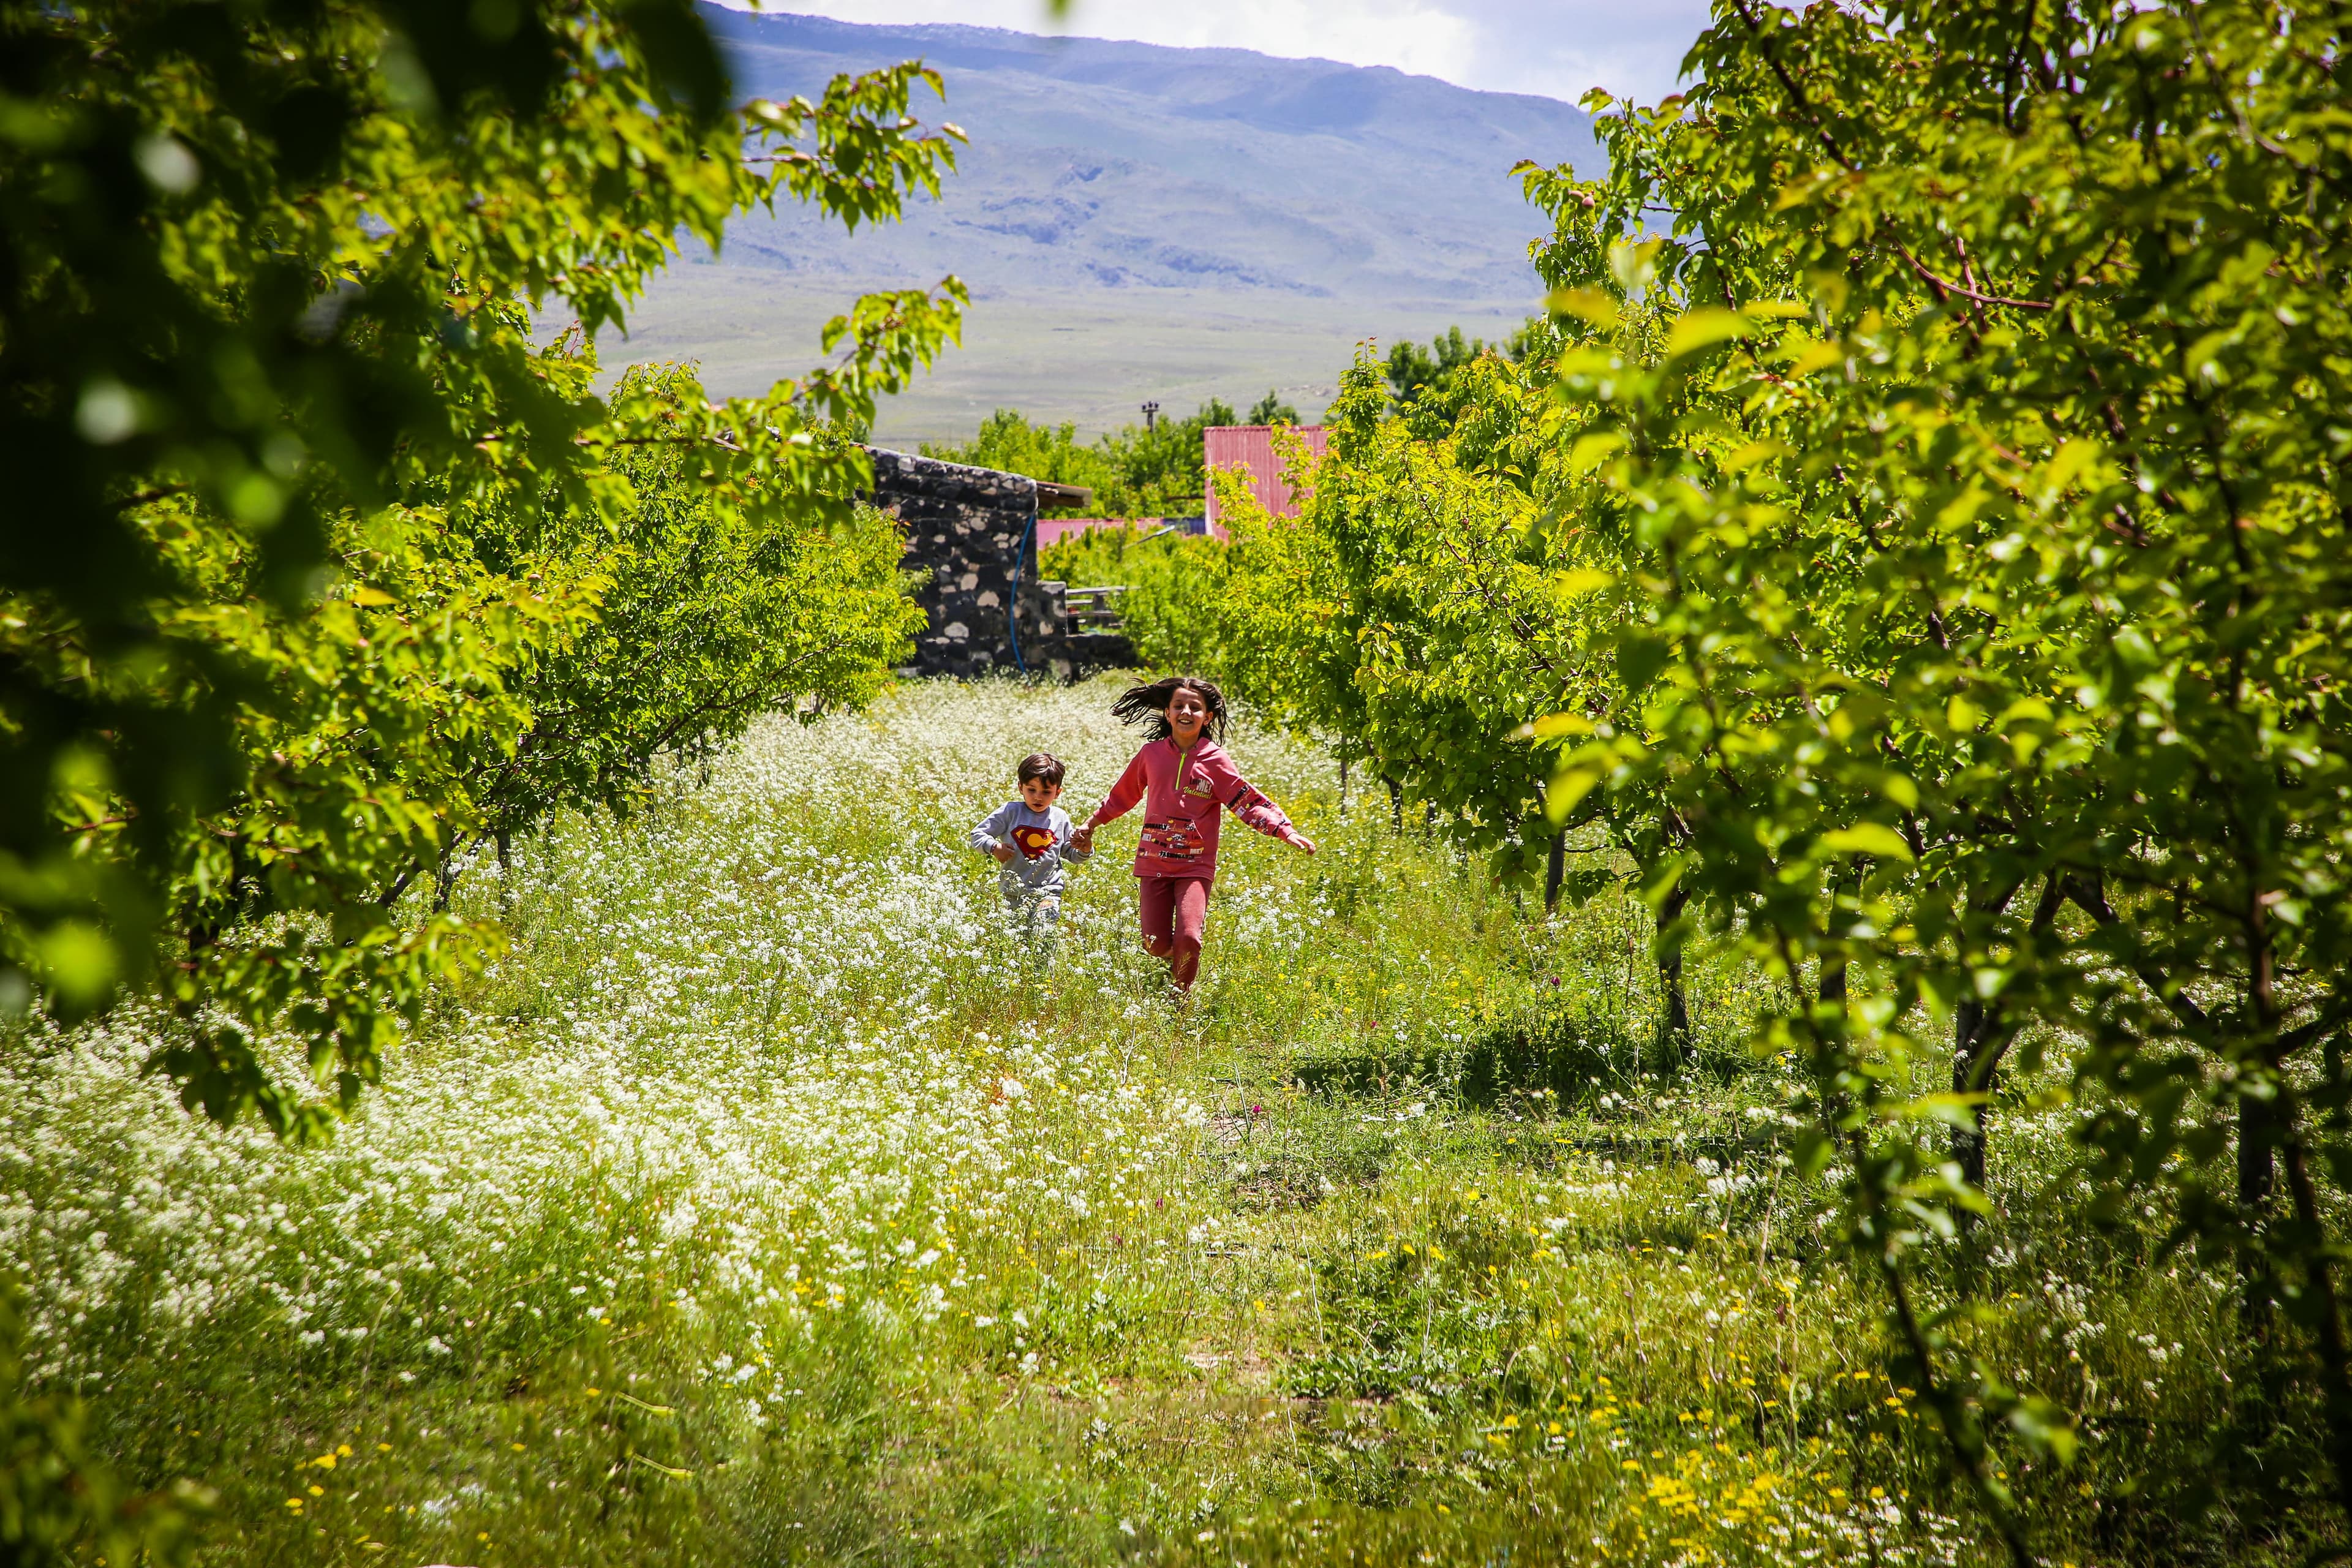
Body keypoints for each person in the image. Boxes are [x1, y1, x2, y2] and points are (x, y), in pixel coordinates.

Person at [1071, 676, 1315, 993]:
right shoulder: (1151, 754)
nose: (1186, 712)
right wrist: (1092, 823)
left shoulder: (1216, 760)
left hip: (1195, 865)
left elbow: (1246, 800)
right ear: (1168, 713)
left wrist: (1283, 830)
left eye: (1195, 707)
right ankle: (1177, 962)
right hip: (1154, 861)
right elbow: (1123, 795)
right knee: (1154, 944)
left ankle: (1180, 1001)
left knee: (1189, 936)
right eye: (1179, 706)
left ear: (1207, 717)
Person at [969, 752, 1089, 954]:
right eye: (1031, 790)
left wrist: (1084, 849)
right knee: (1014, 944)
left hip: (1048, 892)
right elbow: (978, 834)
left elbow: (1071, 853)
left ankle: (1044, 969)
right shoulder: (1010, 812)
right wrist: (994, 847)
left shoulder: (1060, 817)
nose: (1038, 797)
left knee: (1044, 933)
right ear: (1020, 787)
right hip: (1013, 892)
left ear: (1058, 793)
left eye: (1046, 792)